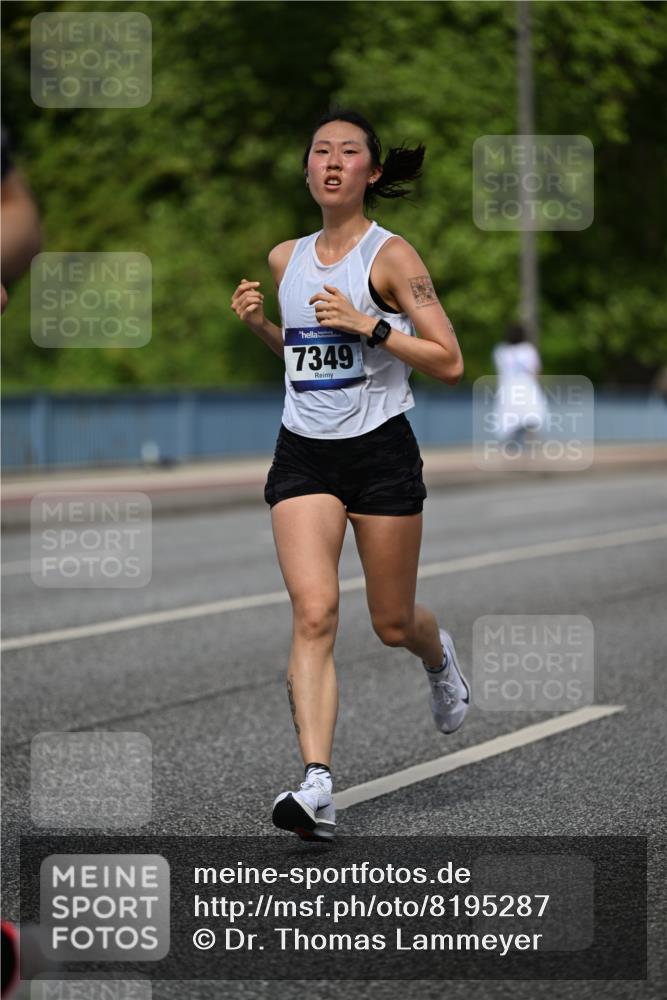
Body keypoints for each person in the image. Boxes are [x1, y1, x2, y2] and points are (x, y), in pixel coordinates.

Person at [230, 107, 469, 842]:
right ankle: (317, 786)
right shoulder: (285, 259)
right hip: (303, 453)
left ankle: (437, 656)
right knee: (314, 612)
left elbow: (450, 361)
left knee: (391, 623)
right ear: (307, 170)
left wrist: (371, 325)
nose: (332, 162)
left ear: (371, 171)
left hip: (380, 452)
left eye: (348, 152)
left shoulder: (391, 258)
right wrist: (263, 329)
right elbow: (307, 361)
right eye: (320, 151)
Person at [491, 322, 548, 450]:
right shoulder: (528, 350)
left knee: (510, 421)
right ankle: (529, 446)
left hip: (508, 388)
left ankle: (513, 447)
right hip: (527, 388)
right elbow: (536, 371)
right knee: (530, 418)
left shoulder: (500, 351)